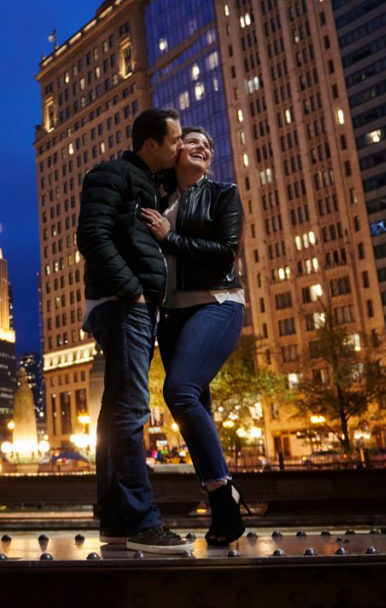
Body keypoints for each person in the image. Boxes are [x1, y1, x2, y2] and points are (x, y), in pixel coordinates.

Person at [77, 108, 192, 554]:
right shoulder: (112, 175)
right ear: (150, 144)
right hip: (123, 305)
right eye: (175, 139)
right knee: (130, 411)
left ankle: (116, 522)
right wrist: (133, 292)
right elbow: (92, 235)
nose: (181, 145)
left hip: (131, 306)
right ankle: (144, 523)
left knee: (114, 413)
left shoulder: (149, 184)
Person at [139, 125, 249, 546]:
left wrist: (172, 238)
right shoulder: (155, 194)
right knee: (195, 403)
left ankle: (221, 491)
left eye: (209, 144)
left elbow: (225, 253)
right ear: (175, 150)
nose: (204, 146)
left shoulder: (222, 193)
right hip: (170, 315)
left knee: (180, 390)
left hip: (216, 302)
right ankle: (225, 509)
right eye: (193, 141)